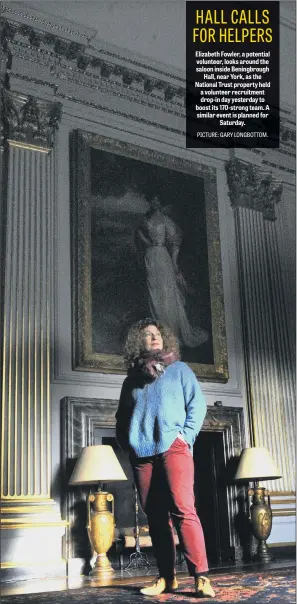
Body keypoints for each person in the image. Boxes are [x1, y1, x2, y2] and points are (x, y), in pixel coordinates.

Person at [115, 318, 215, 598]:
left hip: (174, 447)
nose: (154, 337)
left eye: (157, 333)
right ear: (139, 342)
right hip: (142, 454)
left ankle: (202, 578)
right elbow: (122, 418)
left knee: (184, 509)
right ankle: (167, 578)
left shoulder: (179, 370)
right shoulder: (131, 380)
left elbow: (197, 404)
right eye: (147, 334)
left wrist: (185, 436)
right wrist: (130, 443)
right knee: (156, 517)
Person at [134, 197, 208, 348]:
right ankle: (157, 332)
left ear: (161, 203)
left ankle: (170, 333)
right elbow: (139, 234)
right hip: (150, 256)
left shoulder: (166, 220)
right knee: (153, 293)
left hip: (162, 257)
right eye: (152, 200)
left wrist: (174, 261)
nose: (154, 203)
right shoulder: (145, 218)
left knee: (166, 294)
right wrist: (146, 241)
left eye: (157, 200)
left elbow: (175, 242)